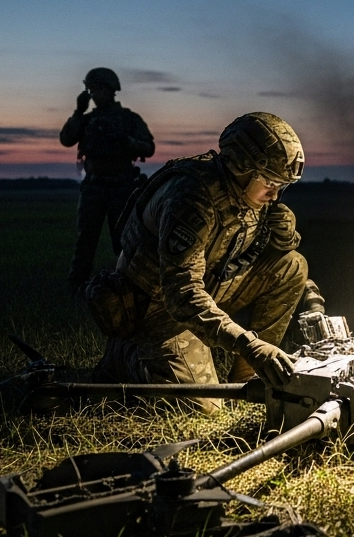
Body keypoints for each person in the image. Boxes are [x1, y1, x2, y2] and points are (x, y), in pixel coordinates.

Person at [92, 112, 324, 414]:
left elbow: (258, 257)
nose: (276, 194)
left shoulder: (246, 193)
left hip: (199, 294)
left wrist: (283, 237)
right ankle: (131, 360)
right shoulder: (191, 199)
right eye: (270, 182)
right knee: (205, 411)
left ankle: (250, 379)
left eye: (283, 186)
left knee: (292, 266)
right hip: (155, 316)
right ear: (242, 167)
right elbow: (182, 294)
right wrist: (248, 344)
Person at [60, 67, 155, 292]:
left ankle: (129, 287)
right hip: (93, 186)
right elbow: (66, 139)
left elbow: (149, 147)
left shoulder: (128, 119)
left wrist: (127, 141)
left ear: (110, 90)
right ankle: (76, 287)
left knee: (123, 241)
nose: (94, 94)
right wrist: (78, 111)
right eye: (91, 90)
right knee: (86, 240)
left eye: (97, 89)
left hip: (121, 186)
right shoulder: (86, 120)